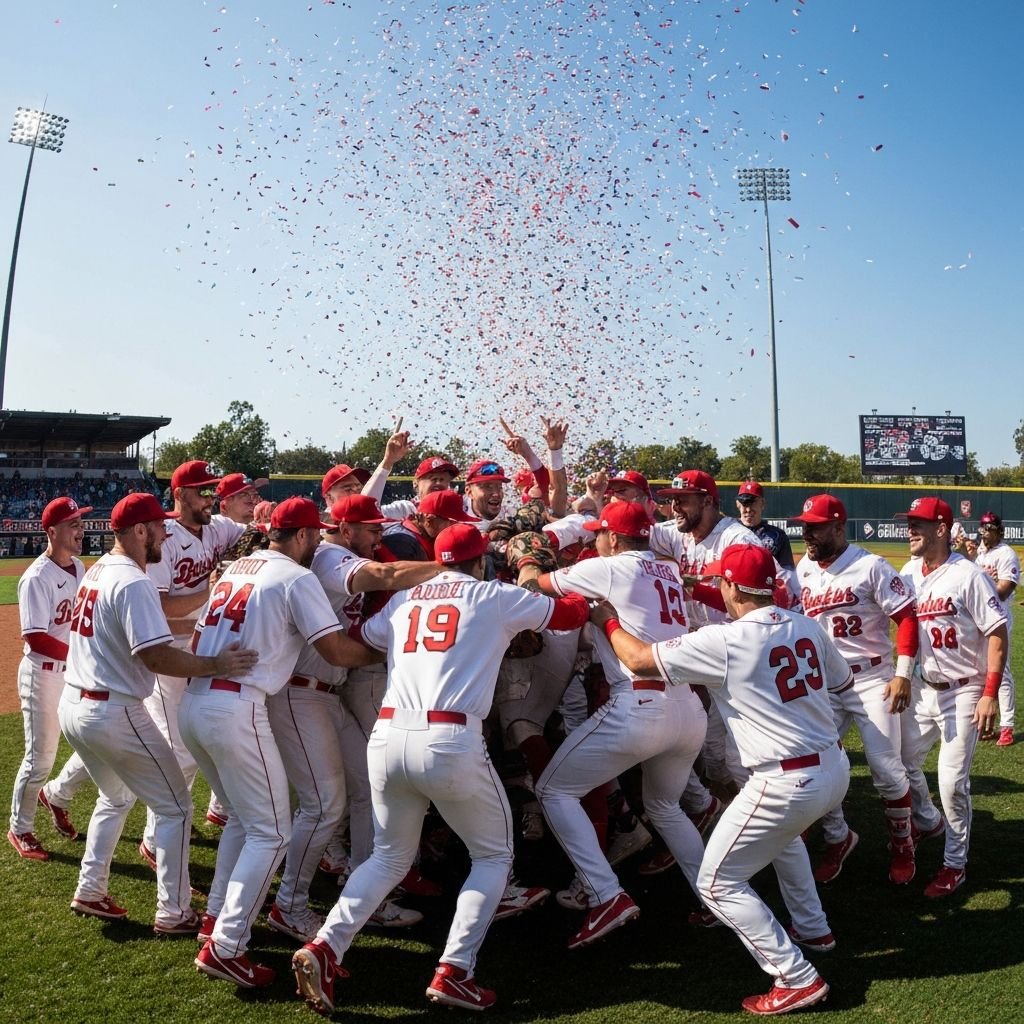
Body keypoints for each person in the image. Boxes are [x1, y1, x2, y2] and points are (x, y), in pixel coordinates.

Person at [291, 523, 590, 1015]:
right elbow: (568, 614)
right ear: (480, 562)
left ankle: (326, 946)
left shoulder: (406, 598)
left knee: (387, 858)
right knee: (494, 856)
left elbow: (363, 635)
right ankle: (456, 970)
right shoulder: (493, 594)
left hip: (389, 736)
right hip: (451, 738)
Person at [594, 543, 853, 1016]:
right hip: (833, 768)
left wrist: (607, 619)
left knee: (717, 884)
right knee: (785, 841)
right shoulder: (807, 624)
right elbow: (840, 686)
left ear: (732, 586)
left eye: (720, 581)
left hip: (786, 779)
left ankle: (795, 977)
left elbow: (638, 661)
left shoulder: (727, 640)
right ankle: (813, 926)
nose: (717, 586)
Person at [180, 497, 383, 988]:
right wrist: (394, 644)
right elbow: (333, 649)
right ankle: (229, 945)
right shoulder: (297, 577)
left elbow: (194, 638)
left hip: (197, 701)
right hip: (238, 706)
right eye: (317, 534)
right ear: (303, 536)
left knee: (243, 821)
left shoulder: (237, 567)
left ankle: (214, 917)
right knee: (270, 831)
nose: (320, 541)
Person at [57, 493, 259, 932]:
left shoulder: (101, 572)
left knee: (115, 797)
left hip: (76, 705)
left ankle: (91, 889)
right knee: (176, 808)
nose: (168, 534)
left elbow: (153, 630)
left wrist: (201, 627)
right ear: (140, 531)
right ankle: (174, 911)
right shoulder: (132, 580)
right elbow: (156, 657)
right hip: (115, 710)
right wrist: (215, 665)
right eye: (160, 527)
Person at [524, 501, 708, 949]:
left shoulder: (611, 566)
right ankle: (716, 897)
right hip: (687, 709)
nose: (594, 541)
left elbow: (535, 586)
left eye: (598, 534)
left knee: (553, 790)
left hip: (640, 702)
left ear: (614, 538)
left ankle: (605, 894)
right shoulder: (665, 568)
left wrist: (527, 557)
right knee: (665, 807)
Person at [267, 493, 447, 941]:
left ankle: (366, 892)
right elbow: (382, 575)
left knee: (366, 787)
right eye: (370, 528)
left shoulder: (329, 552)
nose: (378, 535)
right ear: (342, 530)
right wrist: (451, 570)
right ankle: (288, 904)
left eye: (380, 527)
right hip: (298, 692)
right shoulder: (328, 556)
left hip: (324, 693)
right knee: (322, 805)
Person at [790, 494, 920, 885]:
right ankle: (838, 837)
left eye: (814, 526)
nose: (806, 533)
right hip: (826, 683)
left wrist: (903, 674)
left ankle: (903, 845)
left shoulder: (870, 565)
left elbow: (907, 618)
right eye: (804, 526)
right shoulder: (804, 569)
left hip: (871, 679)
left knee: (885, 768)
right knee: (813, 761)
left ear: (837, 527)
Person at [899, 497, 1009, 898]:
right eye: (909, 523)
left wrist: (990, 693)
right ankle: (929, 821)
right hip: (924, 688)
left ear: (941, 529)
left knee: (950, 782)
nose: (910, 530)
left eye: (919, 524)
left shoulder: (969, 575)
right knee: (898, 764)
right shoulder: (909, 572)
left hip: (964, 691)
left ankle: (954, 864)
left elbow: (997, 633)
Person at [139, 460, 244, 865]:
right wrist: (209, 594)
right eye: (202, 490)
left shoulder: (217, 527)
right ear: (179, 495)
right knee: (178, 751)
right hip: (168, 652)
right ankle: (153, 838)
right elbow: (158, 607)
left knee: (203, 739)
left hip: (201, 648)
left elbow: (258, 531)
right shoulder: (164, 540)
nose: (210, 497)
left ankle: (213, 809)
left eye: (212, 489)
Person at [8, 497, 93, 860]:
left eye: (80, 522)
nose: (80, 529)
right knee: (40, 758)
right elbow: (36, 637)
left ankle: (56, 796)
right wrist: (81, 655)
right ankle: (20, 827)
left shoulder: (80, 568)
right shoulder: (36, 577)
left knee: (96, 741)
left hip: (74, 673)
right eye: (73, 523)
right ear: (52, 532)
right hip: (42, 676)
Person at [973, 512, 1019, 746]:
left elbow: (1003, 591)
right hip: (979, 616)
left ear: (999, 531)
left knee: (1003, 672)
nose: (985, 533)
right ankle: (988, 723)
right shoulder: (980, 553)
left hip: (999, 616)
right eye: (983, 528)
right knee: (983, 670)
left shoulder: (1006, 554)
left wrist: (985, 582)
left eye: (989, 529)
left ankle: (1007, 726)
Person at [736, 481, 795, 570]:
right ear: (738, 504)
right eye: (744, 504)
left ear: (763, 504)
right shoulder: (728, 532)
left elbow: (788, 572)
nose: (748, 509)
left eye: (752, 503)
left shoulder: (777, 536)